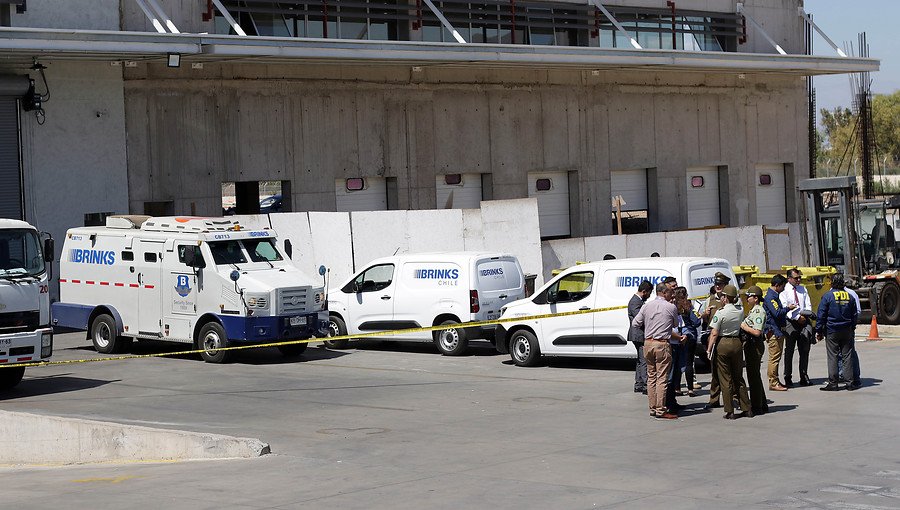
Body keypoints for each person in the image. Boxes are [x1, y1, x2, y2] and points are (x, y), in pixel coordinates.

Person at [632, 283, 684, 420]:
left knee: (651, 377)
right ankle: (661, 409)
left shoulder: (646, 306)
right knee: (661, 378)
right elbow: (675, 324)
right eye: (669, 292)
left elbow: (635, 323)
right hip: (662, 344)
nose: (671, 295)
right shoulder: (670, 307)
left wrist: (649, 326)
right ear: (664, 293)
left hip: (648, 343)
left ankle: (652, 408)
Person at [707, 284, 752, 419]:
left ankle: (730, 410)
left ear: (725, 298)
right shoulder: (739, 310)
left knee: (725, 378)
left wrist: (709, 349)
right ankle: (747, 408)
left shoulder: (721, 312)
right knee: (738, 377)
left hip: (723, 343)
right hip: (736, 343)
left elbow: (714, 333)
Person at [816, 274, 860, 391]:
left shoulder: (827, 296)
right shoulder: (850, 296)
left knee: (833, 357)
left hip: (832, 330)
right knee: (847, 356)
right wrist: (852, 327)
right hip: (847, 330)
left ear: (832, 283)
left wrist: (818, 330)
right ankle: (850, 383)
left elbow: (821, 315)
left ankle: (833, 383)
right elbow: (854, 315)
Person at [780, 268, 814, 387]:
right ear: (789, 278)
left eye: (799, 277)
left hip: (804, 320)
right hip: (791, 322)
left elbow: (808, 304)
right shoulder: (784, 290)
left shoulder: (803, 289)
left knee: (804, 350)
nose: (798, 280)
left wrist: (804, 316)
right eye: (796, 278)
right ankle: (787, 377)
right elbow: (785, 307)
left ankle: (804, 375)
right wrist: (796, 317)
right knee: (789, 350)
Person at [701, 272, 730, 409]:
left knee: (729, 372)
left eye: (720, 284)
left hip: (727, 337)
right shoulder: (710, 299)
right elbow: (705, 321)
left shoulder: (732, 299)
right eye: (716, 284)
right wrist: (705, 315)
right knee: (715, 371)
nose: (718, 286)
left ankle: (732, 398)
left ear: (725, 285)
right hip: (713, 338)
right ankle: (714, 399)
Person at [763, 274, 796, 392]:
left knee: (776, 357)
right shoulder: (771, 297)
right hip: (773, 331)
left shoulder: (774, 296)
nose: (783, 289)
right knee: (774, 358)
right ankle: (773, 382)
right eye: (782, 286)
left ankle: (775, 379)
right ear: (777, 285)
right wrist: (788, 308)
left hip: (777, 330)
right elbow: (777, 312)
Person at [740, 286, 768, 415]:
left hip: (754, 344)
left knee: (753, 377)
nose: (747, 299)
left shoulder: (758, 311)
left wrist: (744, 326)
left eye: (749, 296)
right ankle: (762, 403)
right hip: (751, 345)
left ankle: (757, 406)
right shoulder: (753, 310)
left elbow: (757, 332)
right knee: (754, 375)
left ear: (755, 298)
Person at [628, 280, 653, 394]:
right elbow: (640, 317)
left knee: (640, 360)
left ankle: (639, 383)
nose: (649, 296)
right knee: (644, 360)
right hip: (638, 334)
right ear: (644, 291)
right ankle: (645, 384)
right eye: (649, 293)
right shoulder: (635, 302)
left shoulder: (638, 301)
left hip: (638, 334)